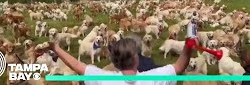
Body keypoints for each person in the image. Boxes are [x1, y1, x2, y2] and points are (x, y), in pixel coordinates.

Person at [48, 37, 198, 85]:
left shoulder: (103, 79)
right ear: (136, 58)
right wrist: (188, 46)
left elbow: (77, 65)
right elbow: (179, 66)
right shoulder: (153, 79)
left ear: (114, 60)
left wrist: (56, 48)